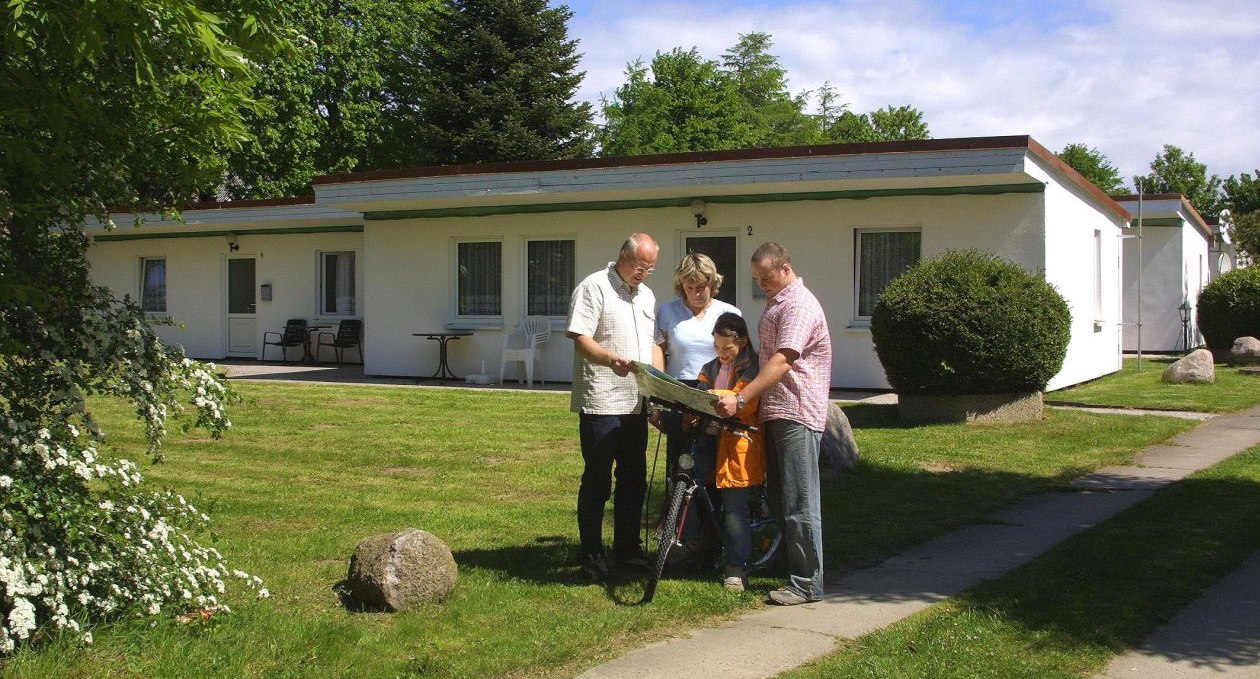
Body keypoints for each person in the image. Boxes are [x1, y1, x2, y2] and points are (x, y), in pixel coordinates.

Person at [716, 242, 831, 605]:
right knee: (783, 500)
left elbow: (783, 360)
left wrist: (743, 397)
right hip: (777, 412)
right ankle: (793, 572)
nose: (762, 284)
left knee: (800, 501)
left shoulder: (798, 304)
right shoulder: (779, 300)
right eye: (757, 279)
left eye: (766, 277)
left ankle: (807, 583)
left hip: (796, 412)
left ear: (785, 267)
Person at [566, 233, 665, 582]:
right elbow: (580, 337)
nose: (644, 274)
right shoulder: (593, 287)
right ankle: (591, 553)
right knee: (597, 480)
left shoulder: (647, 296)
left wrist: (659, 383)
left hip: (636, 401)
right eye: (640, 266)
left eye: (650, 269)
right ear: (622, 256)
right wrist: (609, 359)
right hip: (603, 399)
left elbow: (653, 342)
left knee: (634, 480)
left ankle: (627, 548)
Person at [692, 312, 765, 592]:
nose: (721, 354)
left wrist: (711, 396)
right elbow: (699, 394)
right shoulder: (709, 367)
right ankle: (700, 551)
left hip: (738, 446)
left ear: (743, 342)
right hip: (709, 441)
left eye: (728, 348)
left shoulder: (752, 367)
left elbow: (743, 401)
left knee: (735, 508)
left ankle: (736, 568)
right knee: (697, 495)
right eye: (717, 347)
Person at [656, 253, 741, 384]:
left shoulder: (729, 313)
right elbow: (658, 351)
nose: (696, 294)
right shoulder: (667, 311)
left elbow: (738, 356)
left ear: (712, 283)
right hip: (677, 386)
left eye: (701, 287)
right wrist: (658, 383)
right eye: (689, 288)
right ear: (682, 286)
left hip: (716, 386)